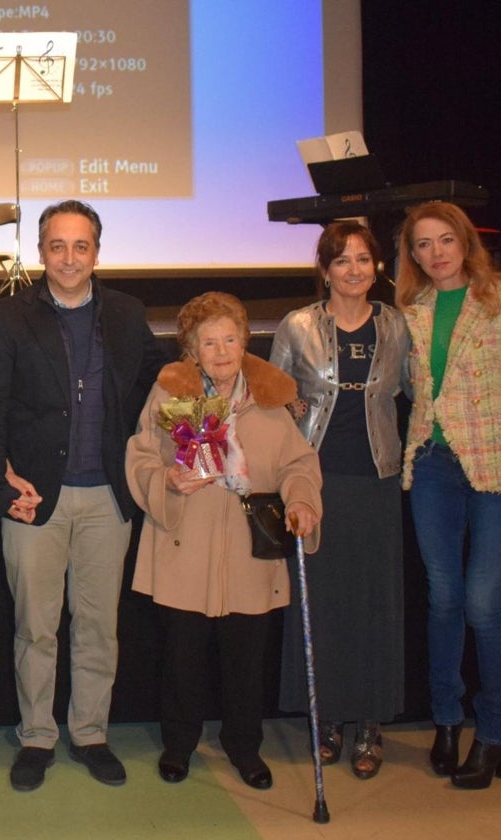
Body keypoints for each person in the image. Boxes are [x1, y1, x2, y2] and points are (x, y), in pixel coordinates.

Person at [0, 200, 165, 791]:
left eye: (81, 246)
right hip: (35, 501)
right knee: (36, 626)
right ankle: (36, 737)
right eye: (57, 246)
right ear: (40, 253)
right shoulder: (9, 318)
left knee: (98, 626)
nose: (69, 258)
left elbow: (160, 393)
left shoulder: (128, 315)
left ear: (97, 254)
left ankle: (90, 732)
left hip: (108, 498)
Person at [125, 291, 321, 789]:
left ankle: (244, 747)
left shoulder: (270, 399)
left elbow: (299, 463)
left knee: (245, 661)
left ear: (244, 340)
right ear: (190, 349)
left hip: (248, 549)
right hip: (185, 543)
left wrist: (301, 501)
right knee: (181, 659)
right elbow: (141, 455)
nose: (221, 350)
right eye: (208, 341)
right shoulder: (170, 395)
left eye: (230, 338)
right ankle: (179, 745)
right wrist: (168, 479)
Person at [270, 222, 409, 780]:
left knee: (374, 604)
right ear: (324, 269)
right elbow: (270, 398)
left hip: (376, 480)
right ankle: (324, 719)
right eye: (342, 260)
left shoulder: (396, 326)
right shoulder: (297, 325)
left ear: (377, 267)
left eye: (364, 260)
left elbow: (415, 391)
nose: (355, 270)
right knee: (320, 605)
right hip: (314, 482)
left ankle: (370, 723)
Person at [397, 201, 501, 789]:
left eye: (445, 240)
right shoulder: (413, 311)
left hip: (491, 469)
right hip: (433, 467)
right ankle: (444, 720)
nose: (435, 253)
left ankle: (490, 734)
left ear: (465, 243)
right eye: (423, 244)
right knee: (444, 599)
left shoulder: (495, 300)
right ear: (412, 255)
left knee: (485, 606)